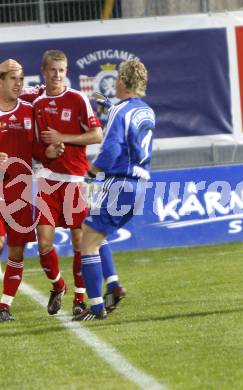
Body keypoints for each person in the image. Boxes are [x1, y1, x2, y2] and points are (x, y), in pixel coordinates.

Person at [0, 50, 103, 316]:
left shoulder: (77, 98)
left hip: (73, 180)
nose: (58, 75)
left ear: (66, 71)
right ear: (44, 71)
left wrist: (63, 136)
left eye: (62, 70)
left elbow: (97, 134)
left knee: (78, 241)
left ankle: (79, 299)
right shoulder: (35, 96)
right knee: (44, 243)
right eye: (53, 70)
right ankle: (58, 285)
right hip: (47, 180)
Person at [0, 66, 64, 323]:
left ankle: (5, 305)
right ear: (0, 81)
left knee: (17, 252)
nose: (19, 84)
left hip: (21, 188)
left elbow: (34, 147)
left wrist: (47, 154)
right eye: (13, 79)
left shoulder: (28, 109)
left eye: (21, 79)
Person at [73, 59, 155, 321]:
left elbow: (111, 149)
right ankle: (112, 287)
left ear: (122, 80)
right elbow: (130, 128)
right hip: (139, 185)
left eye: (118, 77)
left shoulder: (120, 111)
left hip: (120, 183)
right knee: (94, 234)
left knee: (87, 243)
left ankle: (96, 308)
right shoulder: (146, 111)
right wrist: (109, 107)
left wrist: (90, 172)